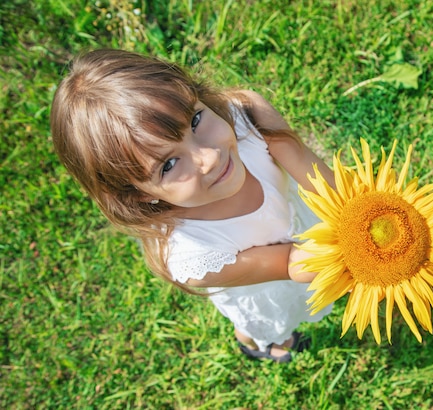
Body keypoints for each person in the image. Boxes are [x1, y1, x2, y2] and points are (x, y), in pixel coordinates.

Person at [50, 49, 336, 363]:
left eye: (196, 119)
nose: (209, 157)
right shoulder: (195, 256)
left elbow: (323, 183)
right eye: (169, 164)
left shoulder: (249, 115)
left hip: (309, 241)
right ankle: (257, 342)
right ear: (140, 195)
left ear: (196, 95)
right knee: (272, 319)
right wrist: (363, 253)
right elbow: (291, 263)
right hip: (266, 278)